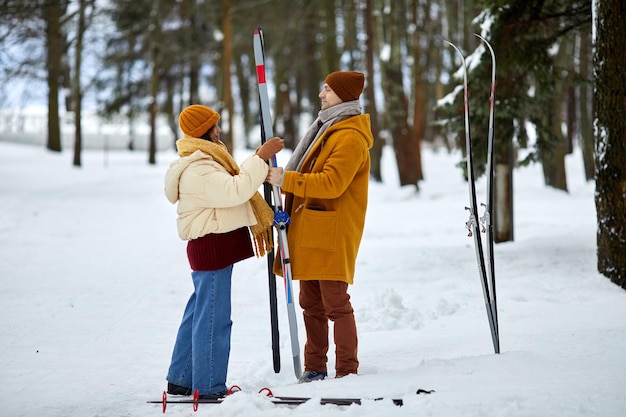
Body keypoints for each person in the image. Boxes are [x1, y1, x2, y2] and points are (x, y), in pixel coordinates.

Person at [164, 104, 284, 399]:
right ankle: (207, 386)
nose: (219, 130)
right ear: (203, 131)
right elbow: (235, 190)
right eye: (214, 125)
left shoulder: (206, 160)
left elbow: (233, 185)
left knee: (199, 312)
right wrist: (259, 157)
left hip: (212, 246)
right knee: (214, 317)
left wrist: (257, 159)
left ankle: (181, 378)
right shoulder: (198, 167)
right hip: (211, 248)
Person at [274, 71, 374, 382]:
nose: (321, 94)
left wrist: (285, 180)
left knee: (335, 304)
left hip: (331, 233)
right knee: (311, 304)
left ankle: (346, 371)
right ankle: (314, 367)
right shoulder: (328, 129)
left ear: (343, 95)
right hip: (310, 231)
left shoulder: (349, 137)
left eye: (328, 89)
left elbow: (332, 184)